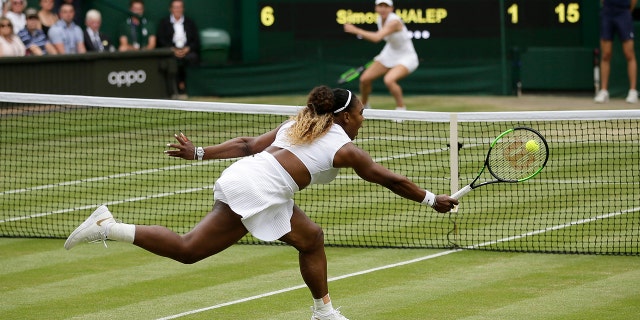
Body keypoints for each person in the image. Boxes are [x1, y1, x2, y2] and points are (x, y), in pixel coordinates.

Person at [64, 85, 459, 320]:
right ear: (344, 117)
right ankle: (107, 226)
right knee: (188, 250)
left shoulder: (298, 124)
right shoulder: (344, 147)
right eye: (360, 114)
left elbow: (247, 145)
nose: (362, 120)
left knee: (312, 238)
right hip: (257, 189)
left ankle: (323, 311)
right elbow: (387, 178)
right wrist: (431, 199)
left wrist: (200, 153)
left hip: (258, 182)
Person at [343, 0, 418, 111]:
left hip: (407, 57)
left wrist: (355, 30)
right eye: (380, 6)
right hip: (389, 53)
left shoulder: (394, 22)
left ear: (391, 8)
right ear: (376, 8)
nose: (383, 9)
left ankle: (401, 109)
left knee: (389, 80)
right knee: (365, 79)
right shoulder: (379, 19)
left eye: (386, 6)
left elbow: (377, 38)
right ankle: (364, 106)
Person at [595, 0, 638, 103]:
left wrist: (627, 10)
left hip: (624, 12)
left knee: (629, 54)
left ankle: (633, 92)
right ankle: (604, 91)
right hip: (607, 12)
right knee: (605, 54)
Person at [156, 0, 200, 97]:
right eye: (175, 7)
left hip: (187, 52)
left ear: (183, 9)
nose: (177, 9)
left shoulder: (190, 23)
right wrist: (172, 50)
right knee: (172, 61)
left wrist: (187, 49)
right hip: (171, 52)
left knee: (191, 58)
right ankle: (175, 90)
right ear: (170, 9)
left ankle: (186, 89)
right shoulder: (164, 23)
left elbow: (196, 41)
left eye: (179, 7)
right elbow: (160, 40)